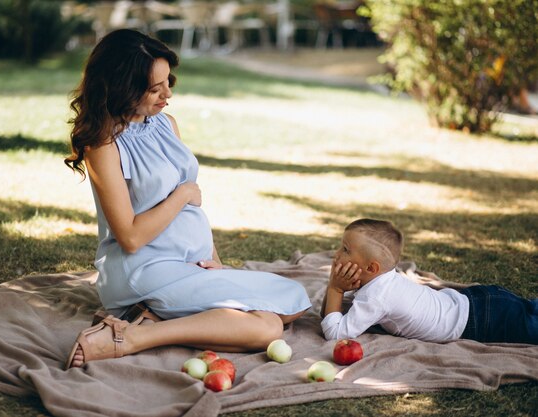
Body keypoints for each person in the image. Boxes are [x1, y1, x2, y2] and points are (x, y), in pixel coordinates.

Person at [63, 29, 311, 368]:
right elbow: (131, 237)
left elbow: (193, 214)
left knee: (294, 299)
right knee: (267, 326)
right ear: (122, 87)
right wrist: (181, 195)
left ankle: (152, 319)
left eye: (168, 82)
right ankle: (135, 336)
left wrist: (216, 261)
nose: (167, 94)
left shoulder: (166, 124)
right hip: (143, 269)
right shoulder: (104, 145)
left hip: (189, 263)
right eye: (154, 88)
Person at [321, 218, 538, 344]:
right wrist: (336, 288)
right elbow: (330, 316)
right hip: (479, 301)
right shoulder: (383, 281)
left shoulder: (377, 297)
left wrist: (335, 289)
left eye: (345, 250)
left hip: (482, 321)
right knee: (530, 309)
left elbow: (335, 333)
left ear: (371, 268)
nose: (337, 254)